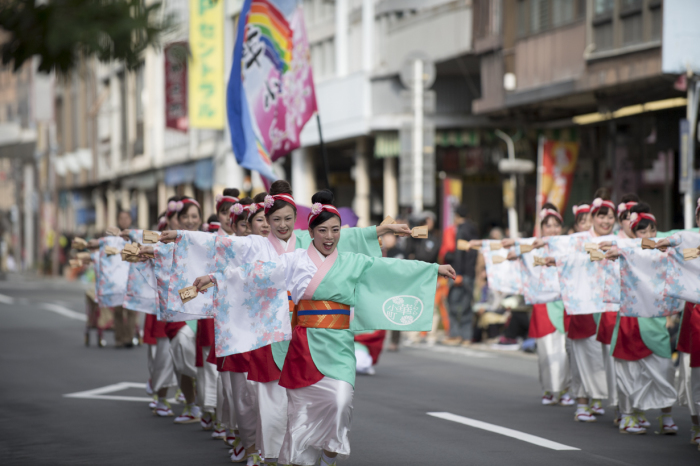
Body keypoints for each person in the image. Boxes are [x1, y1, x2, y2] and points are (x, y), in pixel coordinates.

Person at [187, 189, 455, 466]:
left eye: (335, 230)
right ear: (310, 233)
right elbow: (254, 274)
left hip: (338, 344)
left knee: (340, 402)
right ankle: (303, 456)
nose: (330, 236)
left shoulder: (353, 261)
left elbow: (389, 269)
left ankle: (329, 452)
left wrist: (432, 269)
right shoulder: (294, 260)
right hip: (303, 344)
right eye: (323, 230)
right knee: (301, 411)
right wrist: (215, 278)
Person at [604, 203, 678, 435]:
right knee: (629, 372)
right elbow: (588, 252)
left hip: (655, 320)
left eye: (652, 230)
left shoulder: (664, 247)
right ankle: (628, 415)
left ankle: (666, 416)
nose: (648, 235)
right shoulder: (622, 247)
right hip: (629, 319)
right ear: (632, 232)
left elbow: (689, 240)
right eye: (642, 231)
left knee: (663, 369)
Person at [442, 205, 479, 346]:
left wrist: (458, 273)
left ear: (457, 216)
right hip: (471, 273)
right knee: (467, 305)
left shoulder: (461, 231)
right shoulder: (474, 230)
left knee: (453, 304)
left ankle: (455, 334)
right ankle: (467, 337)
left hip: (460, 273)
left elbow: (459, 254)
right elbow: (473, 255)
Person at [113, 209, 137, 348]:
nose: (124, 221)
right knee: (117, 309)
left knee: (132, 310)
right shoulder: (112, 237)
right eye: (121, 218)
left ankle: (129, 337)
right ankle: (119, 338)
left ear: (130, 219)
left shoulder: (136, 235)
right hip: (117, 278)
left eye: (126, 218)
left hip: (132, 276)